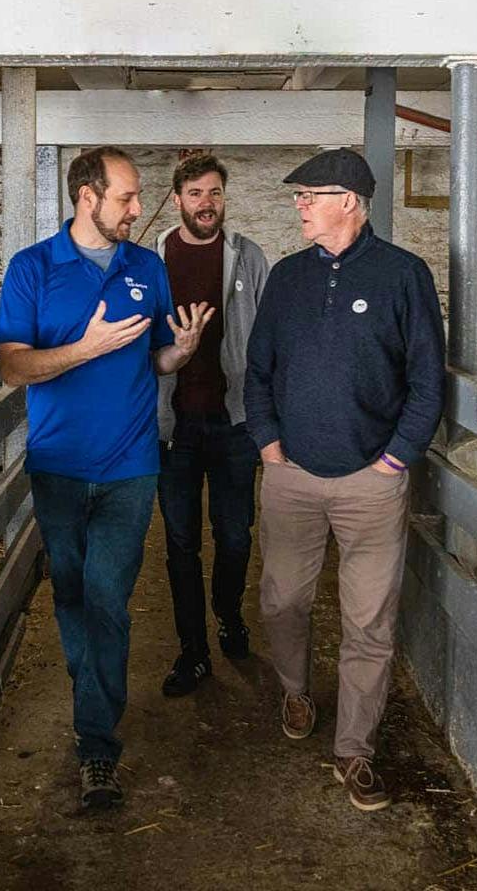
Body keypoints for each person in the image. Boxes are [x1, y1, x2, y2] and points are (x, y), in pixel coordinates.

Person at [0, 146, 213, 809]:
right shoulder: (32, 269)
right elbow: (12, 368)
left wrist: (181, 348)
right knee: (69, 598)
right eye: (126, 197)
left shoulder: (147, 267)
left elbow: (157, 361)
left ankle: (96, 744)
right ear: (86, 197)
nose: (139, 209)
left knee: (108, 600)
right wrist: (84, 349)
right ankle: (91, 683)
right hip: (58, 466)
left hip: (130, 465)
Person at [243, 147, 445, 813]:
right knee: (280, 600)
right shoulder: (288, 276)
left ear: (351, 202)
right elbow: (259, 370)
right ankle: (296, 688)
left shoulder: (403, 276)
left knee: (369, 624)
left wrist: (395, 460)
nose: (299, 205)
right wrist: (270, 446)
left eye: (311, 195)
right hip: (291, 474)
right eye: (297, 196)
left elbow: (425, 380)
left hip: (372, 483)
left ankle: (355, 750)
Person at [153, 153, 270, 697]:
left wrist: (271, 421)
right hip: (173, 425)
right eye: (196, 193)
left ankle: (228, 612)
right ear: (177, 199)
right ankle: (193, 650)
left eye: (216, 192)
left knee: (234, 535)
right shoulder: (150, 259)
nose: (207, 203)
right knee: (180, 544)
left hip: (235, 423)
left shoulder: (248, 257)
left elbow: (268, 341)